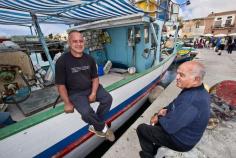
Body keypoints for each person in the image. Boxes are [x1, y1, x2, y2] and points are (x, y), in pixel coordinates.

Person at [136, 61, 210, 158]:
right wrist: (165, 109)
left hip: (182, 142)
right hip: (184, 130)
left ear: (196, 79)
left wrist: (158, 117)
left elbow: (170, 127)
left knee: (142, 129)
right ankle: (157, 144)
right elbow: (176, 102)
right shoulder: (196, 89)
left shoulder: (191, 101)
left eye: (182, 75)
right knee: (159, 118)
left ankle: (148, 155)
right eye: (178, 73)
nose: (177, 77)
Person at [55, 30, 115, 142]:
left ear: (84, 42)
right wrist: (67, 103)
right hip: (75, 93)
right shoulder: (62, 61)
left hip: (90, 87)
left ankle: (94, 123)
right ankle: (103, 128)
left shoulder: (89, 59)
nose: (79, 44)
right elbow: (61, 85)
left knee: (108, 99)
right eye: (75, 41)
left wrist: (93, 93)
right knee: (87, 112)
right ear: (69, 42)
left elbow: (95, 78)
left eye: (81, 41)